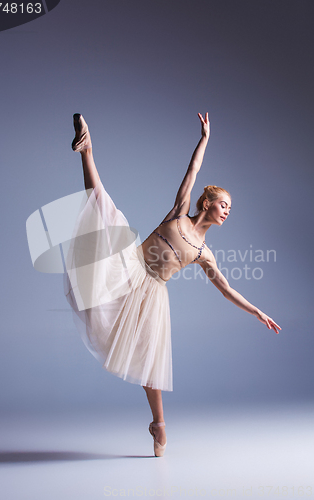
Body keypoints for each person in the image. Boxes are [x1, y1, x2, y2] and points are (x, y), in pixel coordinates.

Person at [65, 112, 281, 457]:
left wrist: (257, 311)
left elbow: (226, 289)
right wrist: (205, 139)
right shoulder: (180, 211)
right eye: (223, 205)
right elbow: (192, 171)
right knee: (104, 208)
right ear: (206, 204)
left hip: (151, 294)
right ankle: (87, 149)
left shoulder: (204, 253)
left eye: (230, 208)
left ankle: (158, 423)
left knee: (151, 361)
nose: (227, 211)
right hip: (129, 265)